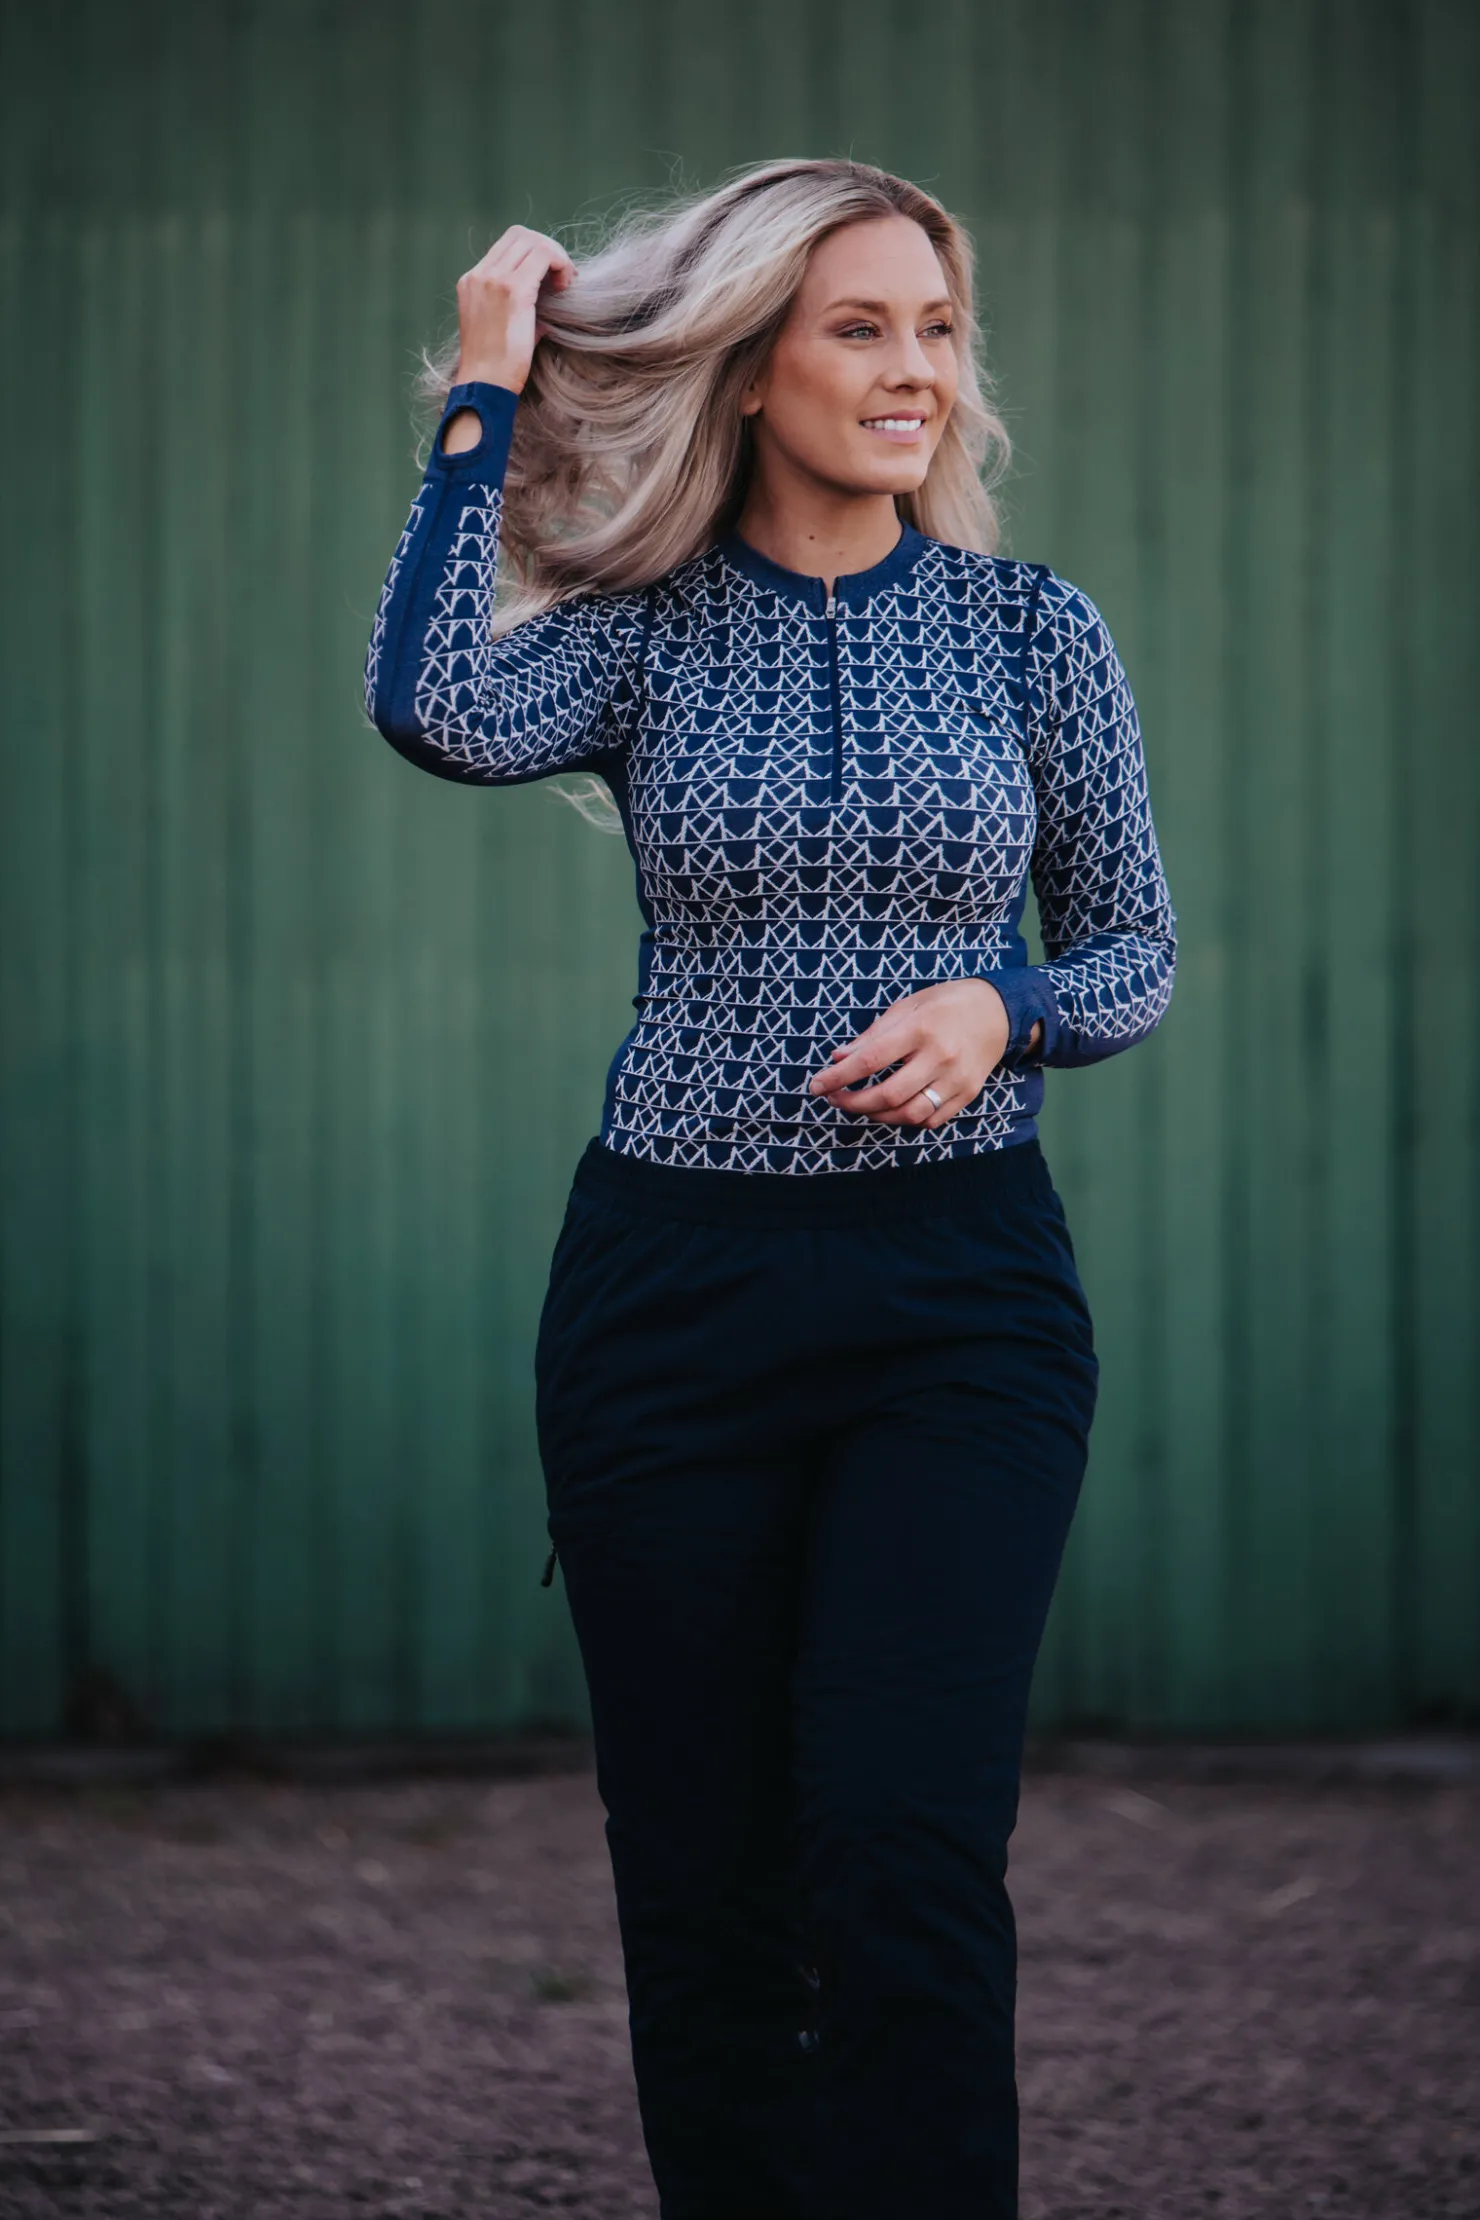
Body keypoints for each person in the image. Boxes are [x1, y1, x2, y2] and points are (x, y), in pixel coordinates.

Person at [365, 157, 1176, 2220]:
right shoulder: (640, 635)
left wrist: (1003, 1006)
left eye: (936, 330)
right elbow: (436, 709)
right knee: (706, 1891)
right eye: (859, 327)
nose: (916, 371)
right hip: (672, 1300)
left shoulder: (1028, 630)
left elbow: (1133, 952)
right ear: (744, 368)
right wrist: (487, 387)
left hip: (958, 1305)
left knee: (906, 1858)